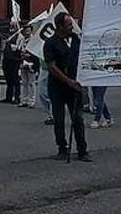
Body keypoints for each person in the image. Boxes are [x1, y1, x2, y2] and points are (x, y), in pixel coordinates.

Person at [44, 12, 89, 162]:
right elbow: (52, 66)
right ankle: (62, 148)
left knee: (78, 118)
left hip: (75, 86)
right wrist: (67, 80)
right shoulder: (50, 43)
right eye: (69, 24)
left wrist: (82, 79)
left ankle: (82, 150)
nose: (72, 27)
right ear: (60, 26)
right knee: (59, 119)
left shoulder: (76, 39)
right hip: (57, 87)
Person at [19, 26, 38, 108]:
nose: (27, 32)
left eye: (28, 31)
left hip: (31, 63)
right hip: (23, 62)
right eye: (25, 31)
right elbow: (19, 49)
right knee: (24, 83)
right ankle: (24, 100)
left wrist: (30, 55)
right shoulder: (22, 40)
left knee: (31, 83)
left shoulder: (34, 40)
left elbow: (36, 52)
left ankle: (32, 101)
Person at [2, 29, 23, 104]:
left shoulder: (19, 37)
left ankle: (17, 97)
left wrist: (13, 46)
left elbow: (19, 48)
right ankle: (9, 96)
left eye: (13, 26)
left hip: (14, 60)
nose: (11, 28)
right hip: (6, 60)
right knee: (8, 79)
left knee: (15, 79)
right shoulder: (8, 36)